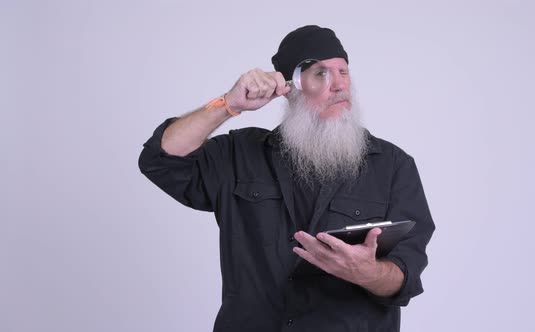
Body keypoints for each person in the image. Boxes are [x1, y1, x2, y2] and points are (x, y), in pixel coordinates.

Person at [139, 25, 435, 332]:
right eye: (320, 73)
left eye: (343, 71)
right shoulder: (239, 155)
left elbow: (405, 274)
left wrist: (367, 272)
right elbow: (160, 160)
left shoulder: (393, 166)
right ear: (290, 87)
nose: (338, 85)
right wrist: (229, 104)